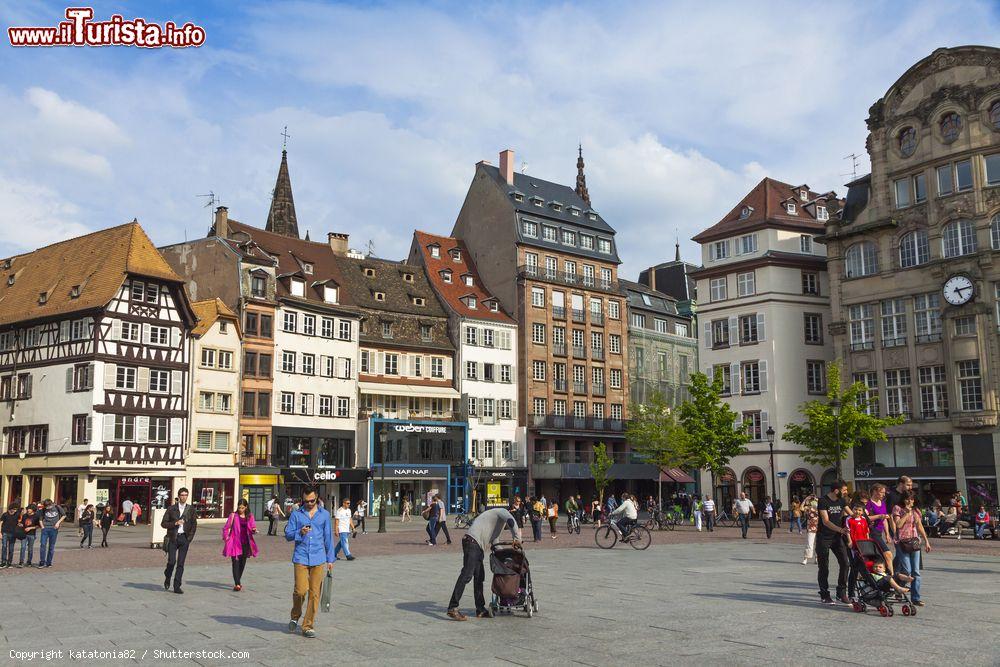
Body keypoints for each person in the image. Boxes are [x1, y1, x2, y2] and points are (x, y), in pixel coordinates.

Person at [446, 504, 522, 621]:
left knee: (479, 577)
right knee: (467, 574)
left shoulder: (495, 522)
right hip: (473, 543)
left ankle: (480, 609)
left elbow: (495, 541)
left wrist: (505, 556)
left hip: (475, 545)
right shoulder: (502, 512)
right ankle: (453, 607)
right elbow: (511, 521)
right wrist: (517, 538)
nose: (507, 527)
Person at [284, 487, 335, 638]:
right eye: (306, 501)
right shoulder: (296, 514)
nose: (309, 503)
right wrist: (300, 532)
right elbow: (287, 535)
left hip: (319, 557)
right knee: (300, 590)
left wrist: (330, 559)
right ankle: (295, 614)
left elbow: (328, 537)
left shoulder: (324, 515)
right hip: (301, 557)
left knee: (315, 593)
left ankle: (307, 625)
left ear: (317, 498)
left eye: (312, 500)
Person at [892, 490, 931, 607]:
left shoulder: (916, 511)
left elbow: (919, 526)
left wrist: (926, 541)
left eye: (912, 499)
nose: (910, 501)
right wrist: (906, 514)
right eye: (908, 499)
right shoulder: (897, 508)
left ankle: (916, 597)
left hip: (914, 542)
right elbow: (898, 525)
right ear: (903, 499)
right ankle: (899, 587)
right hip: (901, 542)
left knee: (916, 572)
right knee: (907, 570)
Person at [816, 480, 851, 605]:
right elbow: (825, 521)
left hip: (837, 538)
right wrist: (840, 529)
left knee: (845, 564)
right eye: (845, 490)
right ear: (837, 490)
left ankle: (841, 593)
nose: (846, 492)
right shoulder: (823, 501)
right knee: (824, 566)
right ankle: (824, 594)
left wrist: (865, 518)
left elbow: (852, 515)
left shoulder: (842, 501)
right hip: (824, 538)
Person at [161, 488, 198, 594]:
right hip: (173, 538)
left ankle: (177, 586)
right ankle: (167, 575)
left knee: (181, 563)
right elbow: (163, 524)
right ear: (178, 496)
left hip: (184, 538)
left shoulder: (191, 509)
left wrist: (189, 538)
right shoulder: (171, 508)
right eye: (182, 495)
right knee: (171, 562)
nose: (184, 497)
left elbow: (194, 525)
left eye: (186, 495)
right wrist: (175, 523)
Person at [222, 498, 259, 591]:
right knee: (235, 562)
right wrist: (227, 538)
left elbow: (252, 527)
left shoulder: (250, 516)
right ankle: (237, 583)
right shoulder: (233, 515)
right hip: (235, 543)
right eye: (239, 507)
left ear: (246, 507)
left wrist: (254, 530)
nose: (240, 509)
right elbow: (226, 528)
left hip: (246, 543)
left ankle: (238, 580)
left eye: (242, 508)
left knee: (242, 563)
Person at [864, 483, 895, 578]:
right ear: (875, 492)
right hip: (872, 532)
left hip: (879, 532)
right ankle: (891, 577)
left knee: (881, 556)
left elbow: (884, 519)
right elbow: (865, 518)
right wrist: (878, 516)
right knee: (888, 554)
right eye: (881, 492)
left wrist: (887, 534)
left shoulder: (883, 503)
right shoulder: (869, 503)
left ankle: (886, 575)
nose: (883, 494)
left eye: (884, 492)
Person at [844, 500, 871, 601]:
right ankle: (851, 593)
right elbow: (848, 531)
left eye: (860, 510)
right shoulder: (849, 519)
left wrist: (868, 542)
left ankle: (867, 589)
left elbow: (866, 531)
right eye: (855, 509)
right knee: (854, 569)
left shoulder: (864, 519)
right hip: (854, 546)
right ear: (852, 509)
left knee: (866, 567)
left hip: (864, 545)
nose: (857, 512)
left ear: (863, 512)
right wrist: (850, 541)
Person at [38, 499, 65, 568]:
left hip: (54, 529)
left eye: (48, 506)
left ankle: (49, 562)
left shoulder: (57, 507)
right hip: (45, 528)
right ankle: (42, 562)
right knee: (43, 545)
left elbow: (64, 515)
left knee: (51, 546)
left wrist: (58, 523)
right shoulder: (43, 509)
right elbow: (40, 519)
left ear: (51, 504)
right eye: (46, 507)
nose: (47, 508)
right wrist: (42, 527)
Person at [802, 495, 819, 565]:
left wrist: (818, 500)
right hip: (811, 528)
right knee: (809, 543)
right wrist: (805, 499)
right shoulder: (809, 508)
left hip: (819, 527)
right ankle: (806, 558)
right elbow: (801, 508)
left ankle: (817, 558)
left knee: (818, 544)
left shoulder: (820, 508)